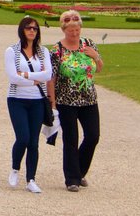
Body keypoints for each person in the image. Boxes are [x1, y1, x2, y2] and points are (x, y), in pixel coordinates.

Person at [52, 10, 103, 192]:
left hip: (89, 99)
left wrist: (95, 56)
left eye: (77, 30)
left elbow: (99, 68)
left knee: (93, 136)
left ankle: (79, 170)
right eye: (71, 30)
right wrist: (52, 101)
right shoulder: (57, 50)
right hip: (66, 100)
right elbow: (52, 78)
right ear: (64, 29)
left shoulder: (88, 44)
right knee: (71, 139)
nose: (74, 33)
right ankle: (72, 179)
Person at [4, 16, 53, 193]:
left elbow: (48, 75)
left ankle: (31, 178)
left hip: (37, 101)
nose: (32, 31)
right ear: (22, 30)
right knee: (23, 137)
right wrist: (34, 78)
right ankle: (15, 168)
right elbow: (12, 77)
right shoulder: (12, 51)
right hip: (17, 99)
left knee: (33, 142)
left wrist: (25, 75)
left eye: (35, 28)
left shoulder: (43, 51)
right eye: (28, 28)